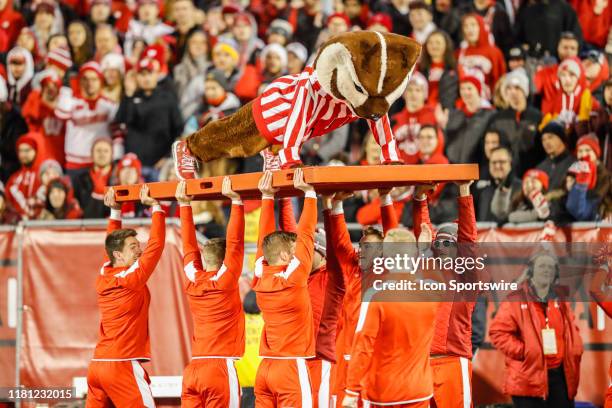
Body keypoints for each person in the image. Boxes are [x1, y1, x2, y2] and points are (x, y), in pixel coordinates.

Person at [86, 186, 165, 408]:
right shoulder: (131, 278)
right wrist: (157, 208)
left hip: (97, 366)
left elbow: (110, 245)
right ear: (119, 255)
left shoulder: (105, 271)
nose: (139, 250)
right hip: (121, 365)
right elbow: (156, 246)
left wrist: (115, 212)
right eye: (133, 247)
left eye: (138, 245)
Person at [343, 225, 438, 408]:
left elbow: (363, 344)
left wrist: (351, 390)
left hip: (383, 392)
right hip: (418, 389)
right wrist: (425, 251)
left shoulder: (375, 295)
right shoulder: (431, 292)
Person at [175, 177, 245, 407]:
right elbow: (235, 243)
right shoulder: (225, 280)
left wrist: (184, 205)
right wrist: (236, 202)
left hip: (193, 369)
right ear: (225, 261)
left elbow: (188, 247)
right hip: (219, 369)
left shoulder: (193, 279)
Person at [251, 169, 317, 406]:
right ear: (282, 254)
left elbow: (263, 241)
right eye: (291, 249)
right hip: (290, 366)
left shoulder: (260, 274)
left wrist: (267, 197)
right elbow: (307, 235)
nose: (295, 252)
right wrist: (310, 195)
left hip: (265, 367)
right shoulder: (293, 277)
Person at [412, 180, 479, 408]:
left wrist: (464, 191)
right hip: (423, 363)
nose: (441, 247)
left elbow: (469, 237)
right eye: (437, 243)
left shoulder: (466, 276)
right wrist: (420, 199)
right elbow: (423, 230)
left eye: (447, 243)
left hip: (453, 362)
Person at [329, 189, 399, 406]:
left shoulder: (388, 270)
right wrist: (337, 204)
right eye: (362, 246)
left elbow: (393, 233)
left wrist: (386, 198)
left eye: (370, 247)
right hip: (347, 351)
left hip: (376, 353)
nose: (362, 251)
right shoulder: (353, 269)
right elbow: (340, 241)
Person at [489, 251, 583, 408]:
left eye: (551, 268)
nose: (547, 270)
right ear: (531, 271)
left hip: (561, 376)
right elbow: (498, 332)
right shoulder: (516, 299)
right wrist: (525, 351)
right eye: (542, 266)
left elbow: (572, 328)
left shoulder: (560, 299)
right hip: (528, 377)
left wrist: (575, 346)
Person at [113, 57, 183, 182]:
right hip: (135, 166)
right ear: (136, 77)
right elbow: (121, 122)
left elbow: (178, 130)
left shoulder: (167, 98)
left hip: (160, 165)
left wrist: (168, 157)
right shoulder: (131, 98)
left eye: (149, 73)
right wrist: (128, 94)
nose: (146, 78)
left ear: (156, 75)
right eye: (142, 74)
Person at [56, 62, 118, 177]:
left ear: (100, 81)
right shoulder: (72, 102)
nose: (90, 83)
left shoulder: (109, 105)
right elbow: (61, 114)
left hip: (101, 164)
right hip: (75, 163)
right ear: (79, 80)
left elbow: (117, 133)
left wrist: (117, 158)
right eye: (85, 79)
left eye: (94, 79)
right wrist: (66, 87)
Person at [490, 69, 543, 174]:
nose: (513, 92)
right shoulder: (497, 118)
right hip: (505, 173)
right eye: (508, 88)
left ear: (525, 91)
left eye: (517, 88)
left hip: (531, 172)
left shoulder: (537, 117)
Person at [440, 72, 495, 164]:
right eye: (462, 89)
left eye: (469, 88)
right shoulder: (454, 114)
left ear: (478, 90)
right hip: (454, 167)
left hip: (477, 167)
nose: (465, 92)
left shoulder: (489, 114)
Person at [21, 69, 67, 166]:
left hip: (62, 159)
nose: (51, 90)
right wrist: (39, 99)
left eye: (55, 86)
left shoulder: (65, 108)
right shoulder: (36, 103)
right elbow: (27, 114)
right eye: (47, 86)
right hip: (41, 159)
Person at [456, 13, 506, 99]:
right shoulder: (459, 53)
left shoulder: (494, 52)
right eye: (466, 26)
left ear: (481, 27)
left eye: (473, 25)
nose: (469, 29)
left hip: (487, 102)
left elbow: (500, 81)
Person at [391, 72, 436, 162]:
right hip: (400, 170)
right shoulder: (395, 119)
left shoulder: (433, 115)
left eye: (418, 90)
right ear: (404, 93)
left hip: (425, 169)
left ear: (425, 94)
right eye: (410, 90)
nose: (413, 94)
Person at [515, 0, 583, 58]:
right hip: (531, 59)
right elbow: (517, 39)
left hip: (558, 61)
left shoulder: (563, 8)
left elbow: (576, 38)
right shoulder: (526, 9)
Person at [477, 146, 522, 223]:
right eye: (494, 162)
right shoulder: (485, 191)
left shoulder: (521, 188)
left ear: (510, 163)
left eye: (502, 162)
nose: (497, 166)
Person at [73, 137, 114, 218]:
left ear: (112, 155)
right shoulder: (80, 179)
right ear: (92, 154)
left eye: (106, 151)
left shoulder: (119, 178)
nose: (102, 154)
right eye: (98, 151)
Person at [5, 134, 42, 220]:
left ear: (35, 151)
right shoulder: (14, 179)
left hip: (40, 225)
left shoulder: (42, 176)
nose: (23, 154)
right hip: (17, 225)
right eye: (20, 151)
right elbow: (6, 202)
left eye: (27, 150)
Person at [419, 30, 458, 109]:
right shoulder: (420, 69)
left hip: (446, 112)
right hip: (424, 111)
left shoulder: (455, 68)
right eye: (430, 43)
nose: (434, 46)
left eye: (438, 42)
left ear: (446, 45)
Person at [536, 120, 575, 191]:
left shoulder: (574, 164)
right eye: (543, 140)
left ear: (561, 138)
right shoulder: (540, 168)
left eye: (550, 137)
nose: (546, 142)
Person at [173, 30, 209, 99]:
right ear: (188, 45)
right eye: (194, 42)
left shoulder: (212, 68)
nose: (198, 46)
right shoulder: (178, 69)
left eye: (203, 42)